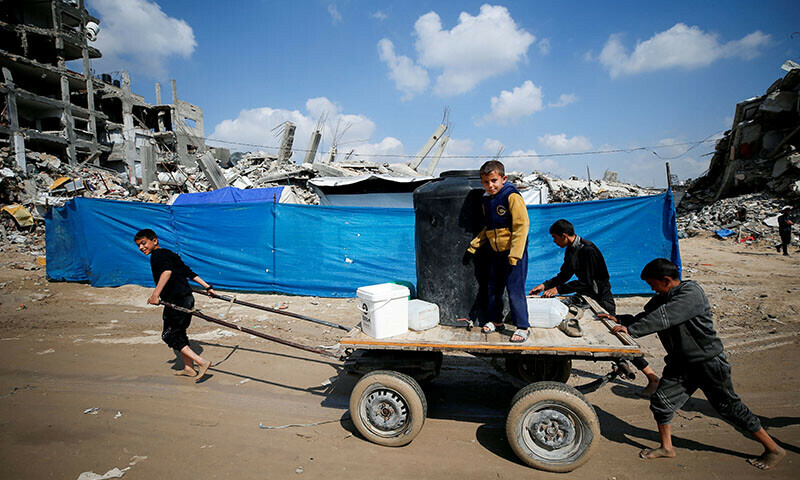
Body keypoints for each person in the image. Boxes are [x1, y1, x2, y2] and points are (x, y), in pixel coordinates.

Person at [603, 258, 785, 471]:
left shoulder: (690, 294)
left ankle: (773, 448)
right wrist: (619, 320)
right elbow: (645, 316)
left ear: (666, 280)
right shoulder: (662, 298)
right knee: (661, 403)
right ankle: (667, 448)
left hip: (708, 363)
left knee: (730, 408)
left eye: (652, 283)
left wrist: (631, 331)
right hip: (681, 364)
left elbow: (664, 317)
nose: (650, 288)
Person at [530, 219, 659, 397]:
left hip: (600, 299)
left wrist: (558, 289)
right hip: (588, 297)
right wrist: (545, 285)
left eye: (554, 238)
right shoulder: (571, 249)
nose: (554, 242)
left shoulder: (587, 250)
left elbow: (587, 283)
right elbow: (565, 274)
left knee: (617, 338)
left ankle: (652, 377)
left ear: (564, 236)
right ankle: (622, 363)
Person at [463, 160, 530, 343]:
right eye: (485, 182)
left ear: (503, 178)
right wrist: (475, 244)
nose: (490, 185)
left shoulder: (511, 196)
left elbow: (521, 226)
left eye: (494, 180)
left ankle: (523, 327)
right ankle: (496, 321)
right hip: (496, 252)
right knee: (494, 287)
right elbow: (489, 228)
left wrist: (515, 254)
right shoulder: (487, 199)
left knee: (515, 289)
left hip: (513, 253)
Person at [134, 228, 213, 381]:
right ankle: (189, 368)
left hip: (176, 301)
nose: (141, 248)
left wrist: (155, 295)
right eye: (138, 245)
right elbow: (188, 272)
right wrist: (207, 287)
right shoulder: (169, 253)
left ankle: (201, 362)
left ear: (154, 240)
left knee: (168, 335)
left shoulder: (157, 256)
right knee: (179, 333)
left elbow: (166, 272)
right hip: (187, 298)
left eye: (143, 243)